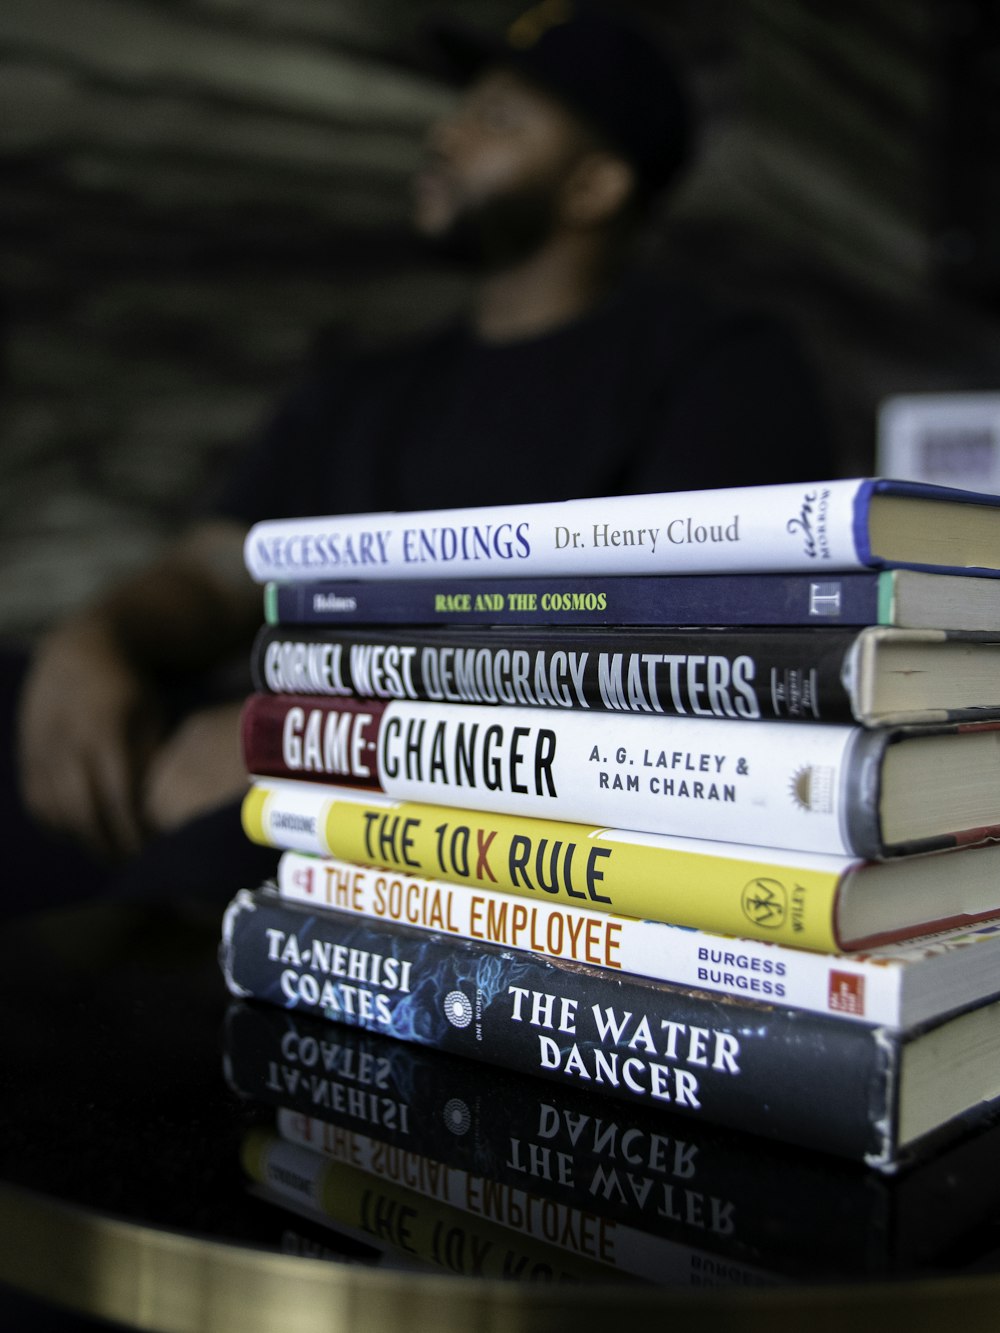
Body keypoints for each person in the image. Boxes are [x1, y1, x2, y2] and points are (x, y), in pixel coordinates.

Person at [8, 0, 835, 912]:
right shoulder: (368, 383)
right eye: (462, 107)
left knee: (199, 883)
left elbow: (683, 658)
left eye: (500, 119)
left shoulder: (717, 362)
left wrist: (303, 739)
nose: (446, 133)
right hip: (260, 745)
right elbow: (220, 568)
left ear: (593, 187)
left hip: (467, 799)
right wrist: (97, 636)